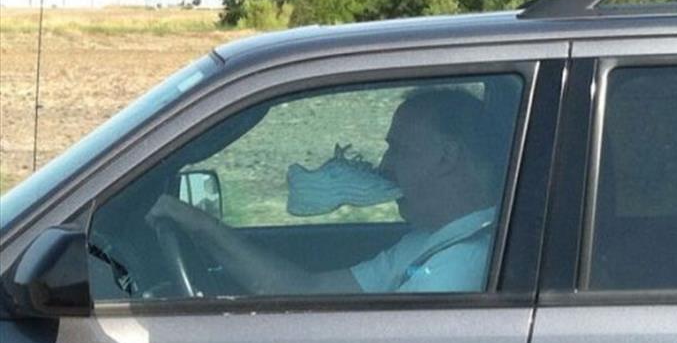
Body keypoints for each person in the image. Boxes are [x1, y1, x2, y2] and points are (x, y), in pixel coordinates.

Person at [147, 88, 502, 294]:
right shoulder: (427, 242)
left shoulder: (461, 265)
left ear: (447, 157)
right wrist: (199, 224)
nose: (384, 165)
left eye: (399, 149)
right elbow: (304, 290)